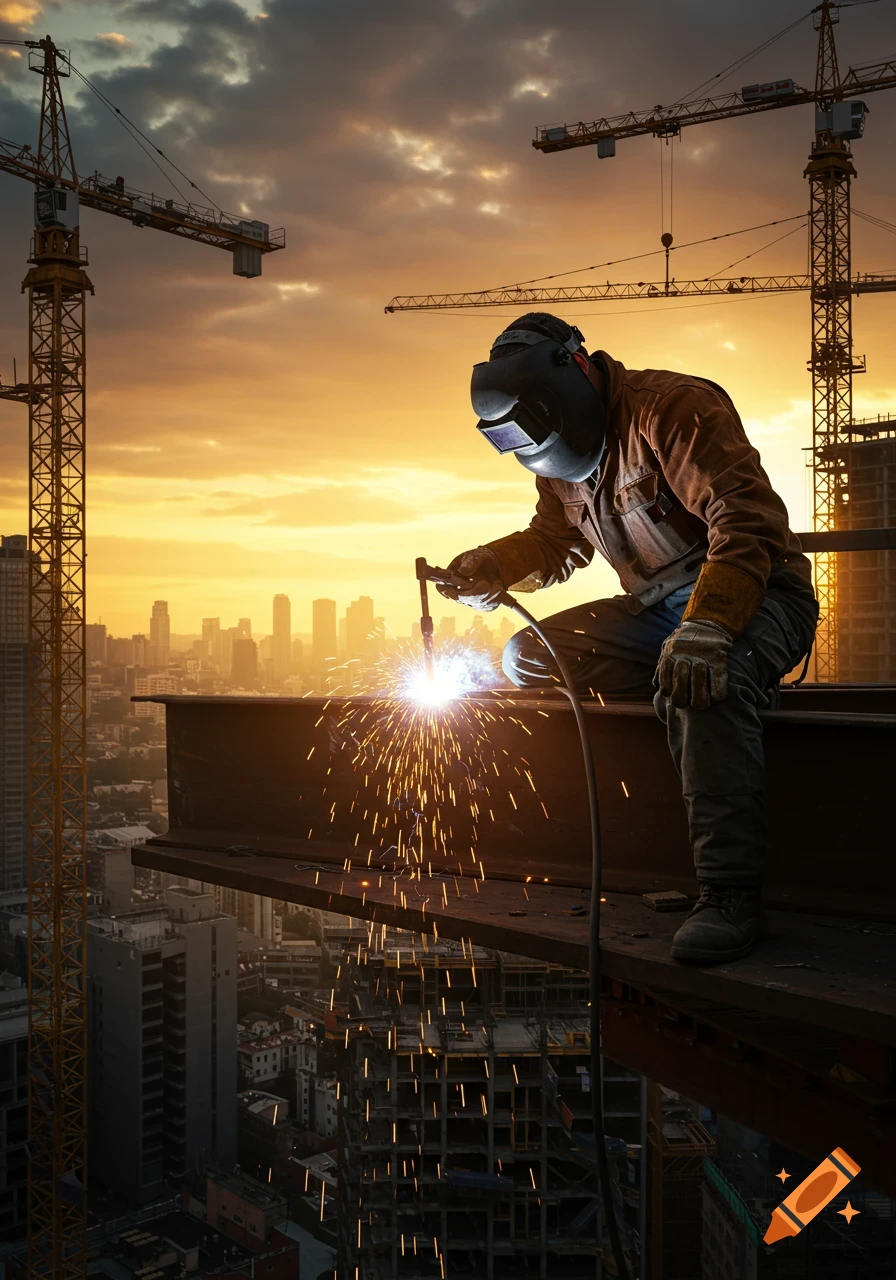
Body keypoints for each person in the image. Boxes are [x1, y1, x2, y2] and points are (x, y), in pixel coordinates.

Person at [438, 312, 818, 965]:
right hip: (655, 611)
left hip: (756, 595)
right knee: (528, 658)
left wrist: (707, 626)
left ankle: (731, 897)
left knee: (704, 681)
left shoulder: (673, 409)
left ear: (578, 370)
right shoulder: (556, 453)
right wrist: (494, 566)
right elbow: (556, 545)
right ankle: (674, 713)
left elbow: (744, 520)